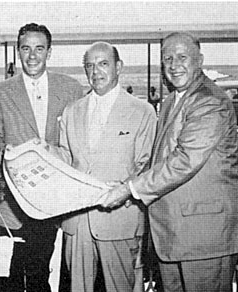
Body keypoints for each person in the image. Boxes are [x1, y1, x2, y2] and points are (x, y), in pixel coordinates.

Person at [97, 32, 238, 292]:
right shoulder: (172, 100)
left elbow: (184, 160)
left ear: (200, 60)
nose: (174, 65)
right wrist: (132, 187)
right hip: (172, 237)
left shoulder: (210, 101)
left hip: (203, 238)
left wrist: (130, 189)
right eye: (167, 59)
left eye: (182, 57)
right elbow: (159, 158)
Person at [48, 42, 156, 292]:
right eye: (89, 66)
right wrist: (42, 153)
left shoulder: (142, 111)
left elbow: (146, 164)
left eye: (103, 64)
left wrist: (124, 192)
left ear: (119, 67)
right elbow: (66, 157)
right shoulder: (72, 111)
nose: (95, 71)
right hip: (77, 221)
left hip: (119, 218)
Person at [0, 23, 83, 292]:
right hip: (10, 204)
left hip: (53, 204)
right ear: (18, 51)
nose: (32, 55)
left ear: (49, 52)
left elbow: (79, 144)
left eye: (39, 48)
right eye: (26, 48)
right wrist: (18, 156)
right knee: (9, 278)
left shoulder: (72, 89)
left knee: (40, 275)